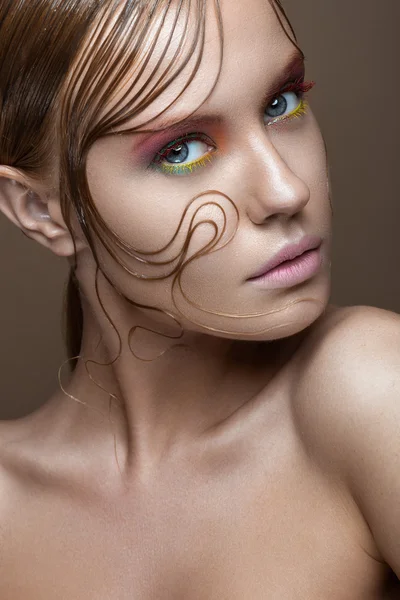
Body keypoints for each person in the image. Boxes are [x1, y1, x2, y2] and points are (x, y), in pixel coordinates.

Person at [0, 0, 399, 597]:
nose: (286, 189)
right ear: (40, 210)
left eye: (282, 102)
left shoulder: (367, 387)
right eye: (182, 150)